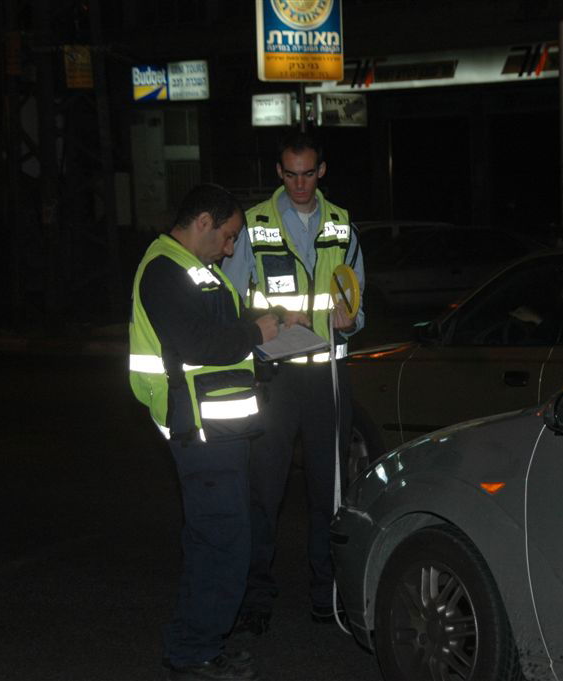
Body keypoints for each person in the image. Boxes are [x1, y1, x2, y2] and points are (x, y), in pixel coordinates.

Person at [128, 184, 304, 681]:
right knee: (220, 543)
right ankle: (194, 651)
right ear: (203, 221)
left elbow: (218, 324)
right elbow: (197, 341)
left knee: (220, 540)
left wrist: (271, 321)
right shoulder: (164, 269)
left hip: (219, 430)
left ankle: (200, 644)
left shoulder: (195, 269)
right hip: (199, 432)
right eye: (227, 237)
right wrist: (258, 333)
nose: (230, 249)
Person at [222, 131, 365, 635]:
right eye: (290, 174)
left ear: (321, 171)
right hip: (276, 379)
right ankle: (256, 594)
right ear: (278, 173)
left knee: (330, 494)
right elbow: (233, 297)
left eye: (308, 173)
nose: (300, 184)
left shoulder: (343, 224)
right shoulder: (255, 223)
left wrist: (352, 319)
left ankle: (326, 595)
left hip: (327, 377)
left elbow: (355, 300)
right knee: (265, 490)